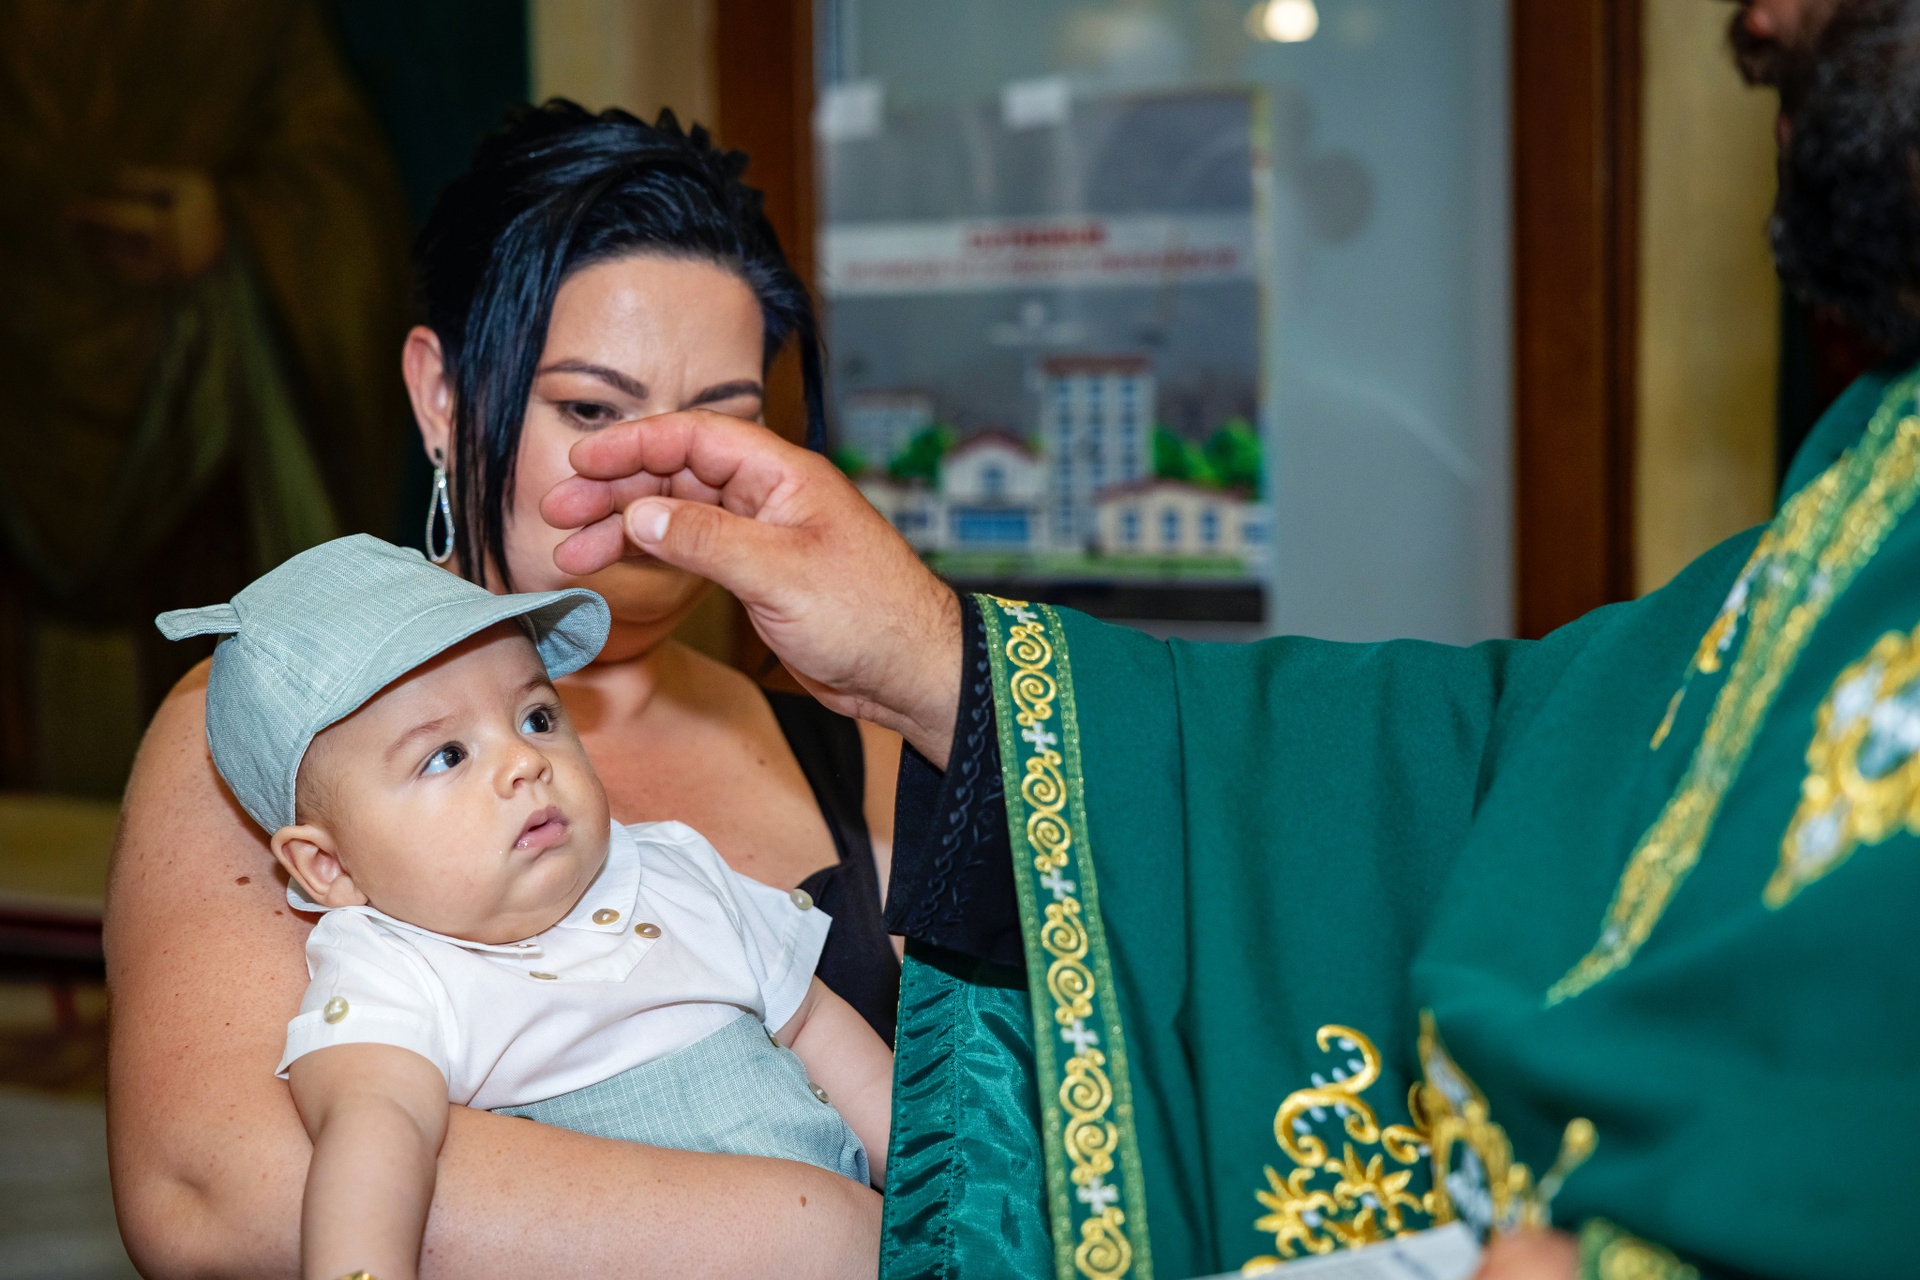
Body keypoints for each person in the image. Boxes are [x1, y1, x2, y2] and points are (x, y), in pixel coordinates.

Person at [538, 2, 1920, 1277]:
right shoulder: (1878, 468)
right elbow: (1543, 751)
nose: (1757, 19)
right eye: (588, 408)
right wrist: (942, 658)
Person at [105, 104, 897, 1280]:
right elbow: (212, 1187)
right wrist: (819, 1231)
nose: (657, 475)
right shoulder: (286, 719)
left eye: (719, 423)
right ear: (442, 394)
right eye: (591, 410)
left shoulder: (848, 735)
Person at [156, 536, 889, 1280]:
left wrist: (944, 1197)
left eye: (537, 717)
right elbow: (374, 1143)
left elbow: (815, 1025)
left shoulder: (674, 870)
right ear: (330, 867)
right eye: (446, 755)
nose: (525, 761)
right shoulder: (396, 973)